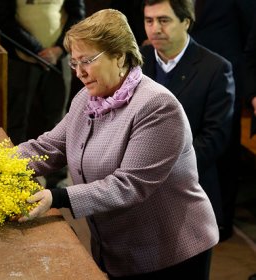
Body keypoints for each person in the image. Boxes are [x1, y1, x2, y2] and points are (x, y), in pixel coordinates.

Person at [16, 9, 219, 279]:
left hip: (169, 252)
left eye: (87, 61)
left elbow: (129, 185)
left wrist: (58, 197)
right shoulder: (86, 100)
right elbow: (49, 147)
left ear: (120, 56)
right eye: (74, 63)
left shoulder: (156, 106)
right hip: (118, 249)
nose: (79, 73)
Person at [140, 0, 235, 241]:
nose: (155, 29)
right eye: (149, 21)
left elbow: (215, 137)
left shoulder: (216, 68)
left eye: (164, 20)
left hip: (188, 188)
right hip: (137, 190)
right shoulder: (135, 62)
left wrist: (165, 169)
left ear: (186, 22)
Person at [0, 0, 85, 188]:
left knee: (58, 121)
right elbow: (4, 20)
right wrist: (35, 49)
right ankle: (17, 177)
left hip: (59, 58)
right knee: (16, 121)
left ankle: (56, 182)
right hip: (21, 57)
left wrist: (59, 49)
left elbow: (78, 16)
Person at [190, 0, 256, 241]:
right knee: (196, 142)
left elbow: (251, 29)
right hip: (192, 70)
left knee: (225, 150)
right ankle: (196, 219)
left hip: (227, 72)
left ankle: (221, 221)